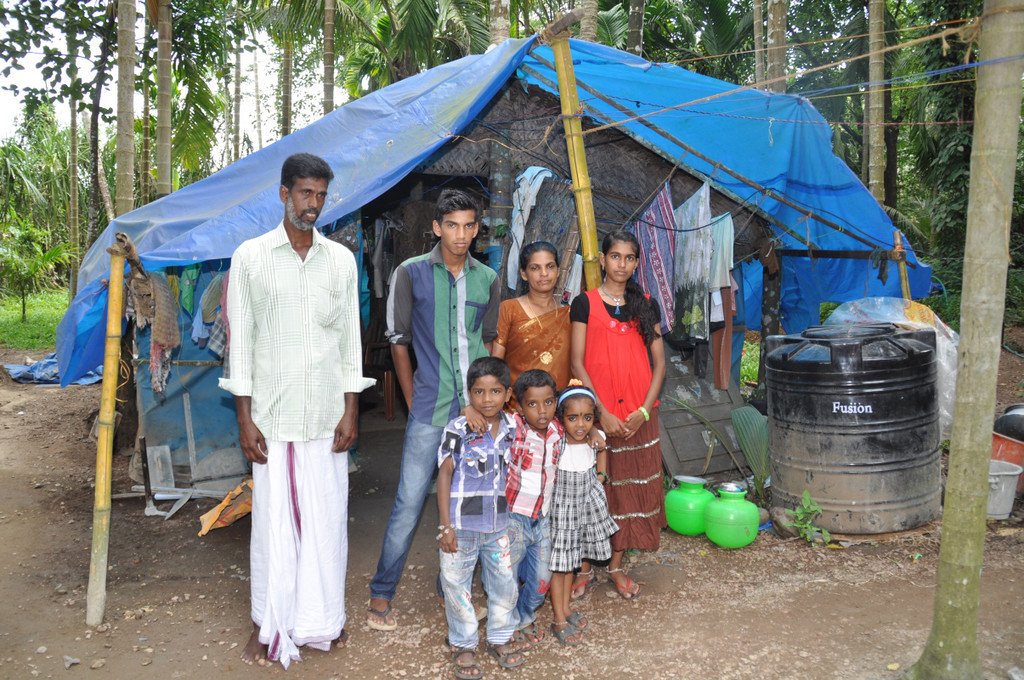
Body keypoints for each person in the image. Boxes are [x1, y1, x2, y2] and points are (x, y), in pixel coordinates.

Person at [219, 153, 374, 668]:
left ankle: (323, 621)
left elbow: (349, 342)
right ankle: (268, 624)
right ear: (284, 193)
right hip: (273, 418)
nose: (313, 204)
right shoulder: (250, 258)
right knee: (273, 526)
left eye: (321, 195)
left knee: (327, 522)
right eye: (305, 193)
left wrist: (352, 409)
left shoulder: (341, 261)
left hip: (327, 416)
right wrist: (245, 418)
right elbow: (241, 346)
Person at [368, 189, 501, 631]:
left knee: (469, 503)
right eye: (451, 225)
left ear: (477, 229)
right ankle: (381, 593)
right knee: (409, 502)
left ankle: (454, 589)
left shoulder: (488, 279)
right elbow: (399, 343)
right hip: (429, 406)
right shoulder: (410, 274)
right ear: (436, 227)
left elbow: (488, 342)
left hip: (478, 411)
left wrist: (488, 402)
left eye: (468, 226)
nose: (460, 234)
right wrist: (413, 402)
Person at [569, 229, 667, 601]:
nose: (621, 264)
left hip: (638, 418)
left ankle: (615, 567)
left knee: (630, 494)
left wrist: (643, 411)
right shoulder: (584, 303)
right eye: (615, 256)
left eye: (629, 258)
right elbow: (577, 361)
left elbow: (659, 365)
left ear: (637, 262)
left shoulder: (646, 305)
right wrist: (600, 413)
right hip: (597, 418)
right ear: (603, 259)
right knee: (593, 492)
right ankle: (582, 569)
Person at [437, 357, 525, 678]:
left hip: (499, 525)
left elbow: (548, 421)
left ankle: (499, 637)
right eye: (478, 392)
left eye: (495, 391)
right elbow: (444, 474)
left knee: (503, 583)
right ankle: (463, 643)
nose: (487, 399)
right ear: (469, 394)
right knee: (455, 584)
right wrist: (445, 527)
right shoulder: (458, 429)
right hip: (460, 526)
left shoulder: (515, 427)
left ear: (508, 394)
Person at [547, 383, 618, 644]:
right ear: (561, 418)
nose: (580, 424)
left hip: (585, 505)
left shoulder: (594, 438)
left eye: (587, 418)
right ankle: (558, 618)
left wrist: (601, 477)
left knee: (571, 563)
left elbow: (602, 451)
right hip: (563, 510)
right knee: (560, 566)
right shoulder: (555, 440)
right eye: (573, 418)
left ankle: (566, 608)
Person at [505, 369, 564, 648]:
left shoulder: (559, 431)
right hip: (513, 519)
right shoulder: (512, 428)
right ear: (519, 406)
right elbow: (485, 414)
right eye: (532, 404)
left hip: (543, 519)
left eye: (548, 402)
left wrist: (592, 434)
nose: (542, 411)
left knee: (541, 580)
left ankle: (524, 613)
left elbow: (586, 426)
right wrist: (470, 410)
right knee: (506, 577)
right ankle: (508, 623)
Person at [492, 242, 572, 411]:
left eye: (550, 266)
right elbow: (496, 364)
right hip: (516, 410)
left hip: (558, 411)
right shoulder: (509, 309)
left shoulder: (570, 315)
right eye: (535, 268)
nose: (544, 273)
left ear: (558, 271)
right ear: (524, 274)